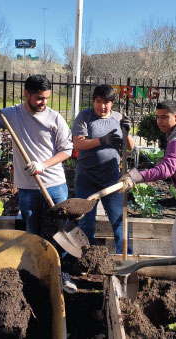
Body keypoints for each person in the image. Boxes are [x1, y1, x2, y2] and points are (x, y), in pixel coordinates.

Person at [0, 75, 72, 237]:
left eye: (46, 98)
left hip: (55, 185)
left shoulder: (55, 118)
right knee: (32, 234)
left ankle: (61, 261)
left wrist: (43, 165)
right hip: (28, 188)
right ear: (26, 94)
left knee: (61, 234)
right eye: (39, 98)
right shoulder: (10, 115)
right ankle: (35, 262)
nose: (44, 103)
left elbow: (67, 150)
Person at [125, 101, 176, 256]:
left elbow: (167, 170)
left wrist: (136, 177)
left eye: (164, 117)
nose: (159, 121)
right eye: (158, 117)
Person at [71, 84, 131, 252]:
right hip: (86, 180)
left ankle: (125, 258)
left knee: (120, 221)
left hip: (112, 181)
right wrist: (101, 140)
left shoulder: (118, 118)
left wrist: (127, 130)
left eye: (107, 102)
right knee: (86, 224)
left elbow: (129, 146)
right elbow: (78, 143)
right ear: (93, 101)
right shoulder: (84, 116)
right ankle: (86, 259)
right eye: (98, 101)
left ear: (112, 103)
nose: (102, 106)